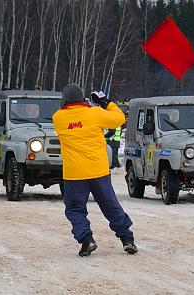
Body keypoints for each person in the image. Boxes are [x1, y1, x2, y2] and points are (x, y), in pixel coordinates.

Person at [53, 84, 137, 257]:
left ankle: (86, 240)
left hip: (74, 174)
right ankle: (127, 240)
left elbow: (72, 118)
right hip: (98, 171)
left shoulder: (58, 118)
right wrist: (105, 102)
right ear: (82, 99)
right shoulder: (94, 113)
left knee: (75, 209)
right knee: (110, 206)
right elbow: (120, 118)